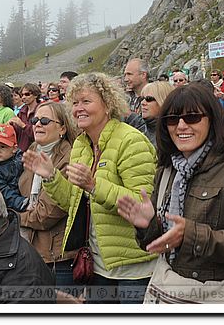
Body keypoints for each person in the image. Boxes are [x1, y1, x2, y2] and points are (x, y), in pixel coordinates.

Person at [117, 83, 224, 303]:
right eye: (172, 119)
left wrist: (191, 235)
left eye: (192, 117)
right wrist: (148, 224)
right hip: (170, 292)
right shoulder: (168, 168)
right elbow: (163, 242)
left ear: (212, 120)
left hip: (221, 296)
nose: (181, 126)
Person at [22, 72, 158, 304]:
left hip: (134, 266)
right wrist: (51, 177)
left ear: (107, 105)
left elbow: (141, 203)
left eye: (86, 101)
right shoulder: (82, 146)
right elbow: (74, 205)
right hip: (98, 263)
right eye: (74, 103)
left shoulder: (131, 141)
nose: (78, 109)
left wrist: (94, 186)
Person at [17, 101, 80, 291]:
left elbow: (48, 214)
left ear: (62, 128)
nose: (37, 124)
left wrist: (14, 217)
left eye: (44, 120)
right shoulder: (34, 150)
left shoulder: (69, 157)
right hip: (33, 249)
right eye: (35, 119)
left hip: (59, 257)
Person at [8, 83, 41, 153]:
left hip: (35, 152)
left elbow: (38, 134)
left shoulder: (41, 110)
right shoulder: (23, 110)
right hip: (20, 151)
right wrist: (11, 126)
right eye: (22, 95)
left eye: (27, 94)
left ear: (35, 95)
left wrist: (23, 125)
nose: (23, 97)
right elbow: (17, 131)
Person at [140, 81, 174, 146]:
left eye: (149, 99)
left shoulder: (170, 136)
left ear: (163, 101)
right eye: (142, 99)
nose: (142, 103)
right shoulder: (142, 130)